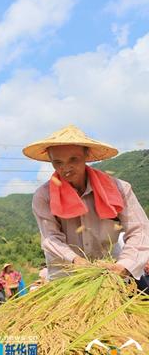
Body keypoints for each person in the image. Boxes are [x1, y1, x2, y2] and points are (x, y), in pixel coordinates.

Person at [24, 125, 149, 292]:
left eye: (73, 159)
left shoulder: (119, 189)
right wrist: (75, 260)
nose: (65, 168)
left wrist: (124, 265)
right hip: (66, 279)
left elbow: (140, 230)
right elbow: (51, 238)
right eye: (58, 162)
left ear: (87, 155)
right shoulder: (44, 197)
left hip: (111, 275)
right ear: (50, 160)